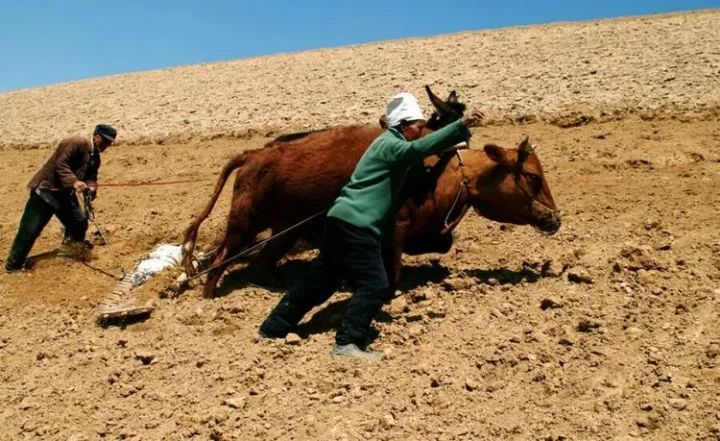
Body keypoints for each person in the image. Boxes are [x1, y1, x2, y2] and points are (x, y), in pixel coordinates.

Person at [259, 92, 483, 360]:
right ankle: (347, 343)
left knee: (321, 280)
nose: (421, 129)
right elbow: (417, 151)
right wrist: (459, 126)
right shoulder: (391, 144)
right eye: (417, 125)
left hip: (342, 221)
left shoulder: (388, 144)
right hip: (357, 226)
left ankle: (273, 327)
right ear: (403, 125)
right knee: (376, 285)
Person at [4, 124, 117, 273]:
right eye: (104, 140)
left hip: (64, 195)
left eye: (109, 142)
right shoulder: (77, 142)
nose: (106, 145)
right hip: (46, 192)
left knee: (79, 221)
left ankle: (69, 251)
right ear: (96, 136)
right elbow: (60, 164)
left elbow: (91, 177)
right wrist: (74, 182)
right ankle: (14, 266)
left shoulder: (95, 158)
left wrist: (91, 189)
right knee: (30, 230)